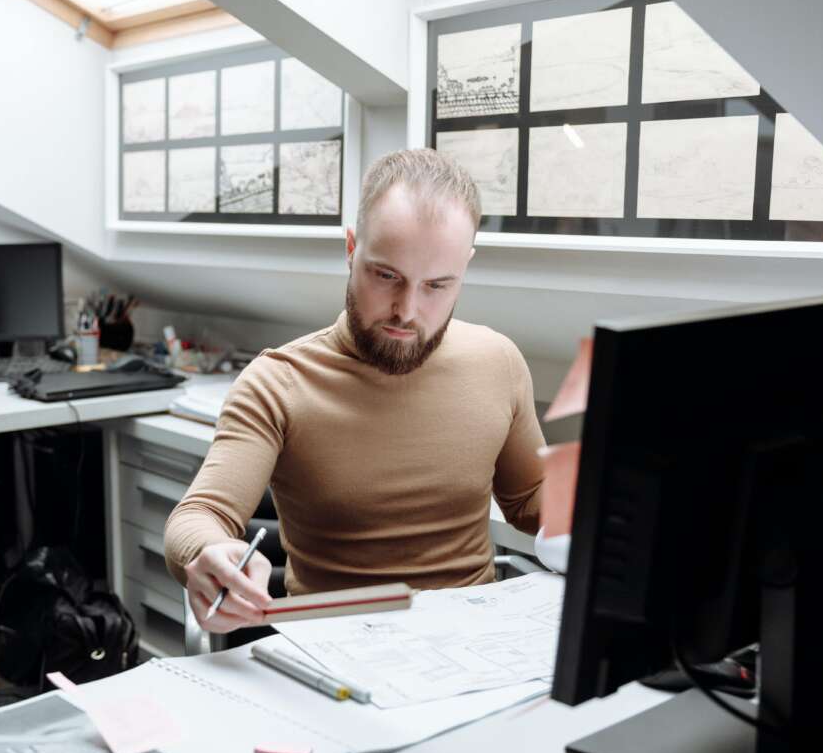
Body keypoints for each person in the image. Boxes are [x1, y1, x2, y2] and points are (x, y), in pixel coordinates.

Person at [164, 148, 546, 633]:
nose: (407, 310)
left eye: (437, 286)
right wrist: (210, 552)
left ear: (465, 267)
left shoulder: (498, 361)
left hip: (475, 645)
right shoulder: (277, 382)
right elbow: (199, 514)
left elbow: (531, 497)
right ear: (351, 248)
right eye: (386, 276)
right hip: (334, 651)